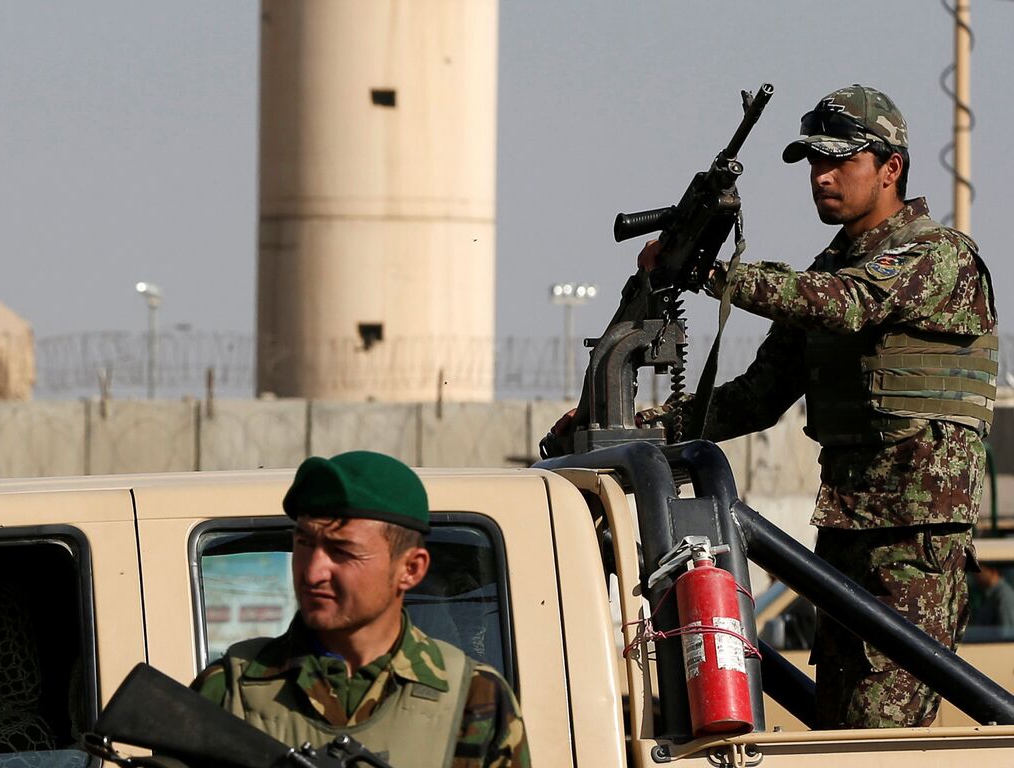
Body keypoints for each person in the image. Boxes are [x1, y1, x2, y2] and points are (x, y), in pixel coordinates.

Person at [573, 84, 994, 728]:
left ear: (891, 168)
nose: (821, 177)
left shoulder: (937, 257)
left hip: (913, 541)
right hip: (847, 531)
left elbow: (846, 303)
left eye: (838, 161)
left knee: (877, 739)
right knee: (833, 725)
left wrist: (712, 273)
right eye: (811, 164)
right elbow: (754, 398)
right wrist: (623, 426)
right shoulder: (829, 269)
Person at [192, 451, 529, 768]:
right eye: (304, 544)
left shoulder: (475, 699)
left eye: (343, 552)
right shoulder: (227, 692)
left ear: (410, 569)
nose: (313, 572)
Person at [972, 567, 1014, 641]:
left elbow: (1007, 635)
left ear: (993, 571)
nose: (975, 575)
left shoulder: (1003, 596)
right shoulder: (989, 595)